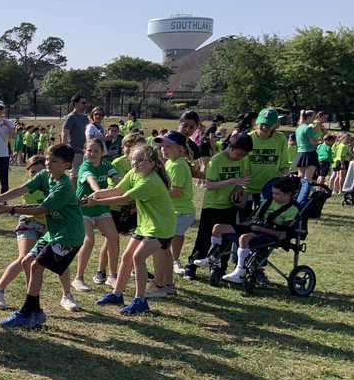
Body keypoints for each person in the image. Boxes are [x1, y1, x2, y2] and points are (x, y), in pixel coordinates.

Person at [0, 144, 85, 328]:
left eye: (54, 161)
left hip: (68, 236)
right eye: (48, 159)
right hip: (53, 233)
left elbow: (40, 210)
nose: (48, 163)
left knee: (35, 265)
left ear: (66, 165)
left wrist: (10, 209)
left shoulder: (63, 186)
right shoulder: (44, 175)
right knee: (27, 261)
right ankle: (36, 312)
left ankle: (26, 313)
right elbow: (22, 189)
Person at [87, 143, 176, 316]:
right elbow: (117, 190)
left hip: (161, 227)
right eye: (133, 159)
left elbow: (123, 198)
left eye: (140, 160)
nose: (135, 163)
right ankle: (117, 294)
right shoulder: (134, 173)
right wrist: (96, 194)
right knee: (127, 256)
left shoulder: (150, 181)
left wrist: (95, 202)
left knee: (138, 257)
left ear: (152, 164)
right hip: (145, 225)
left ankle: (140, 301)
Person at [199, 177, 300, 284]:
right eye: (273, 193)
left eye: (277, 194)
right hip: (255, 227)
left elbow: (284, 234)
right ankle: (213, 258)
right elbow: (254, 219)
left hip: (269, 233)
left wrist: (261, 228)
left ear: (288, 194)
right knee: (218, 228)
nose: (274, 196)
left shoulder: (292, 210)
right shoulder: (267, 202)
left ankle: (240, 271)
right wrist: (241, 226)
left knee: (244, 238)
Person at [0, 155, 50, 311]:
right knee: (24, 258)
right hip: (29, 223)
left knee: (57, 260)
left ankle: (66, 295)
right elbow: (38, 211)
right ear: (27, 172)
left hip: (49, 227)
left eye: (40, 172)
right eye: (33, 172)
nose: (36, 175)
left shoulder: (53, 186)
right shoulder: (30, 188)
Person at [187, 133, 253, 277]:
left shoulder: (242, 161)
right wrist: (231, 181)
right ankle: (191, 267)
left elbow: (240, 182)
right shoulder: (216, 160)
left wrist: (239, 191)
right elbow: (209, 185)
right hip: (212, 206)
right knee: (204, 238)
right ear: (231, 146)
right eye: (238, 154)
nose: (240, 158)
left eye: (243, 156)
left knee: (226, 239)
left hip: (229, 206)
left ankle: (220, 268)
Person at [71, 137, 119, 291]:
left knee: (114, 237)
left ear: (102, 152)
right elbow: (92, 182)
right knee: (89, 240)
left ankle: (112, 276)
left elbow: (117, 180)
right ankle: (78, 278)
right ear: (85, 151)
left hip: (101, 208)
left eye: (96, 151)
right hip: (83, 209)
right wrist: (100, 192)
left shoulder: (107, 165)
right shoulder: (84, 167)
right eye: (89, 150)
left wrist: (125, 186)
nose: (92, 153)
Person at [158, 131, 196, 277]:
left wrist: (154, 194)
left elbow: (175, 191)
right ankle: (172, 263)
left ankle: (165, 271)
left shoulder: (178, 165)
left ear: (180, 148)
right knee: (172, 238)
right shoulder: (170, 163)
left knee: (164, 244)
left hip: (180, 211)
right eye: (162, 146)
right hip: (178, 211)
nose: (163, 149)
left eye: (168, 146)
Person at [248, 108, 293, 200]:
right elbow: (243, 164)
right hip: (248, 187)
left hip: (271, 187)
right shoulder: (248, 138)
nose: (265, 127)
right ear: (257, 122)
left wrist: (284, 177)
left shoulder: (280, 138)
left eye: (269, 124)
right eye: (262, 123)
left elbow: (284, 163)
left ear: (274, 125)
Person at [294, 110, 322, 182]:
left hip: (300, 153)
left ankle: (298, 189)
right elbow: (313, 142)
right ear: (309, 117)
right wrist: (319, 141)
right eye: (313, 117)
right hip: (309, 154)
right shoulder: (308, 128)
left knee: (300, 176)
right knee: (307, 178)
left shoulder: (299, 128)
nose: (314, 119)